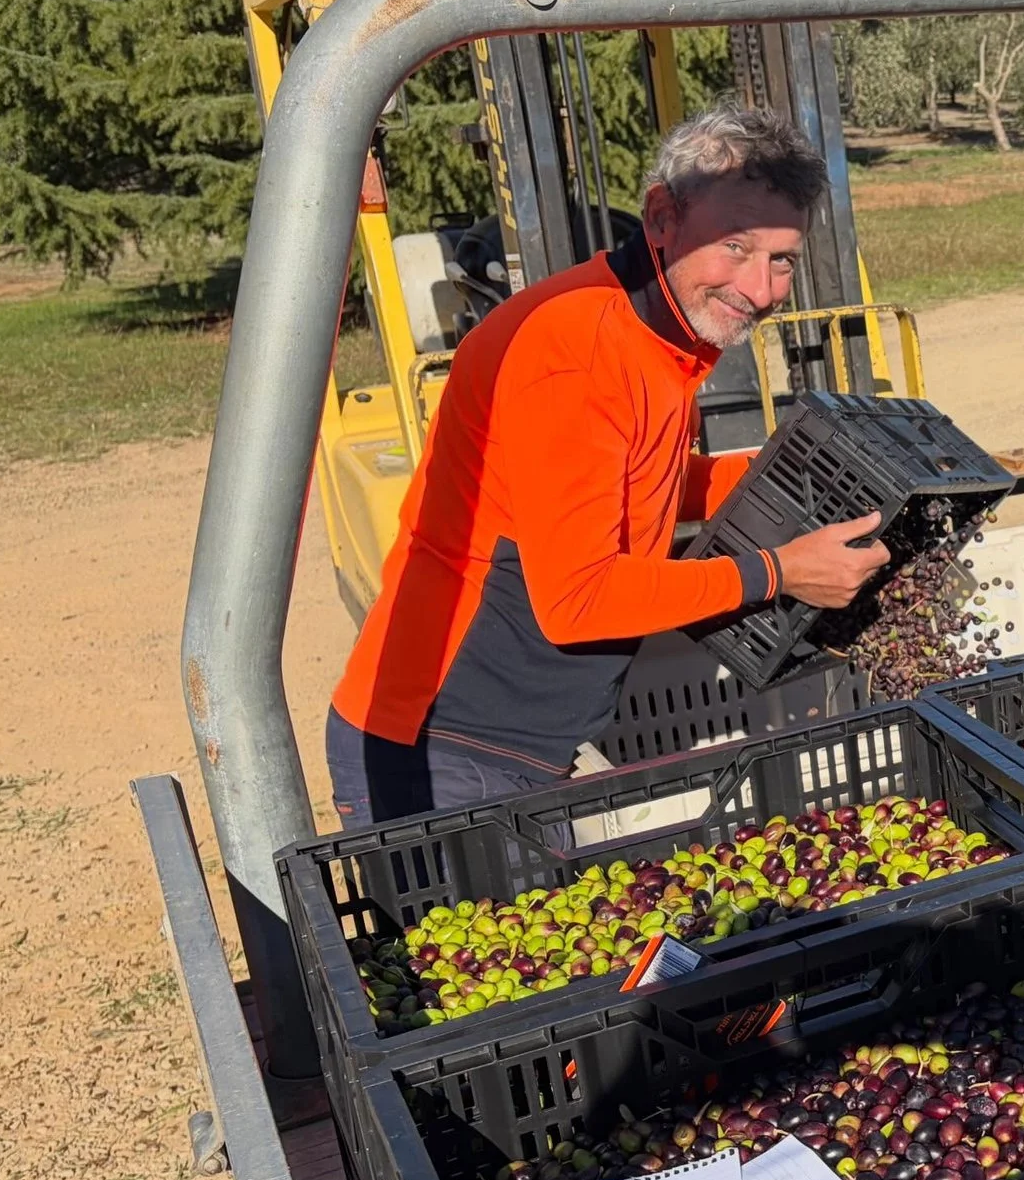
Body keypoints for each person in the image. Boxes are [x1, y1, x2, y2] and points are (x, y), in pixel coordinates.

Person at [325, 104, 889, 827]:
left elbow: (640, 484)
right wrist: (779, 571)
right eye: (735, 246)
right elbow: (579, 599)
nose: (761, 289)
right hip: (442, 749)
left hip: (515, 744)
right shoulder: (577, 352)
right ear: (660, 217)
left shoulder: (657, 338)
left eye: (782, 259)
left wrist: (803, 475)